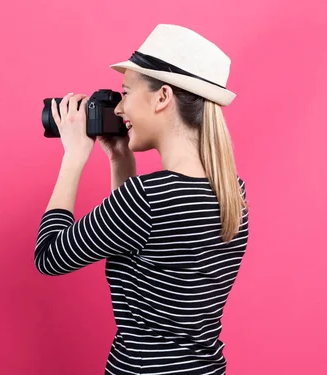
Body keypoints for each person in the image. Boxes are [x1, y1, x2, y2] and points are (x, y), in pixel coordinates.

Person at [34, 24, 249, 374]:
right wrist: (120, 159)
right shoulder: (231, 192)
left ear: (162, 97)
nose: (120, 110)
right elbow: (140, 242)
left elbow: (49, 257)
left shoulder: (146, 198)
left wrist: (73, 157)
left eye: (126, 92)